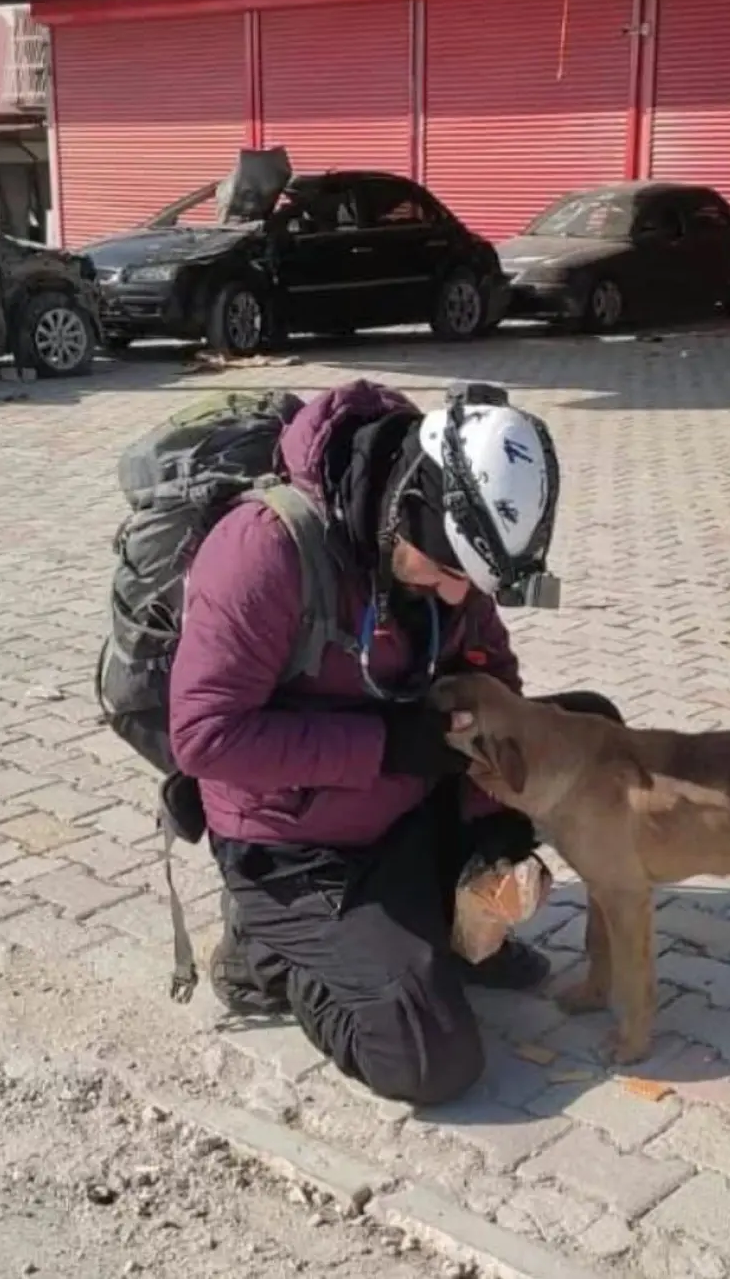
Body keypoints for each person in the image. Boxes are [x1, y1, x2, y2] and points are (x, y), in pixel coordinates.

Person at [167, 380, 622, 1106]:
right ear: (408, 508)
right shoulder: (263, 551)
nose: (453, 595)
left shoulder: (446, 554)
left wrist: (492, 814)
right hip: (302, 844)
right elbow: (204, 737)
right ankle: (272, 955)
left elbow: (491, 671)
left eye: (468, 582)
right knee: (429, 1059)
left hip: (412, 793)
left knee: (594, 729)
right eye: (445, 572)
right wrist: (382, 747)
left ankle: (446, 920)